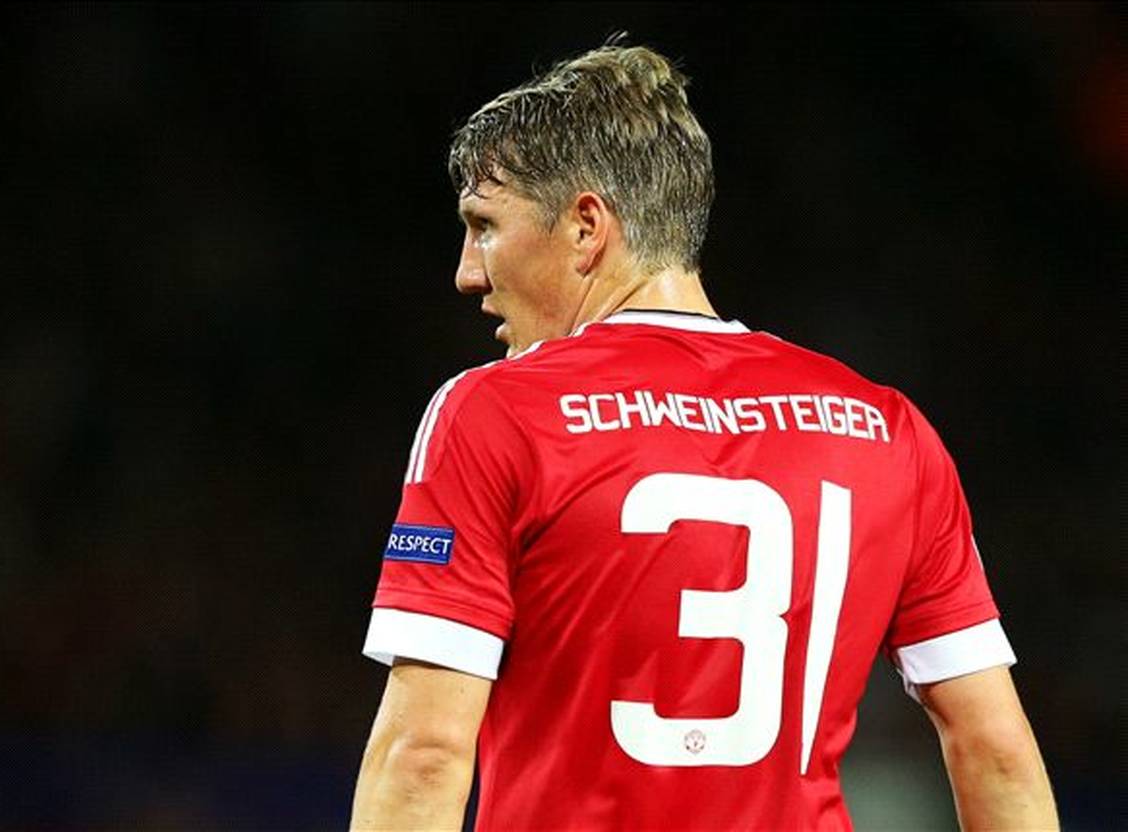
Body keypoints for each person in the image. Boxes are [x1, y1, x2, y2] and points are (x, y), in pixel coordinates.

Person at [350, 42, 1057, 831]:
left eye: (484, 226)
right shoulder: (885, 429)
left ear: (586, 226)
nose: (467, 273)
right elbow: (996, 751)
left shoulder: (497, 414)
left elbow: (425, 755)